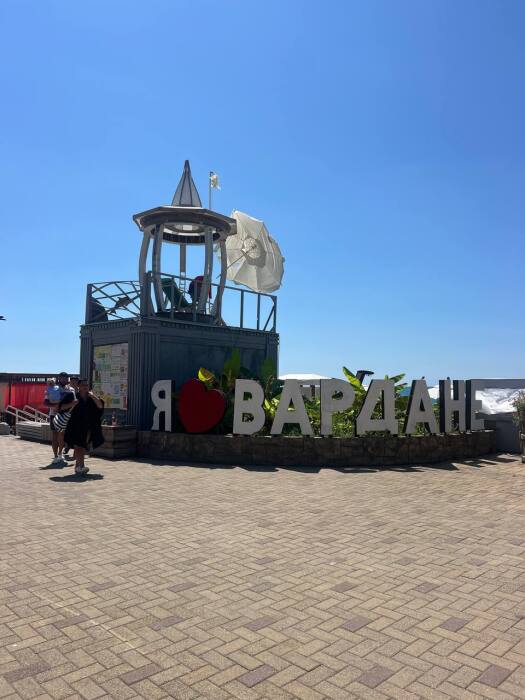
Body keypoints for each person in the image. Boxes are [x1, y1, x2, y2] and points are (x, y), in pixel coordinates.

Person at [64, 379, 104, 475]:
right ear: (79, 387)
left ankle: (78, 466)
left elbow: (100, 406)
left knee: (82, 446)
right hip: (75, 425)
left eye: (87, 385)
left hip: (89, 426)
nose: (85, 387)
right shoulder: (73, 396)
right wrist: (73, 403)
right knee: (79, 446)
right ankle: (81, 466)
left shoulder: (92, 397)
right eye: (83, 385)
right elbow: (62, 407)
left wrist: (92, 396)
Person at [44, 372, 72, 465]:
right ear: (59, 379)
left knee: (62, 435)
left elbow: (73, 402)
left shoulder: (70, 389)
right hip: (53, 414)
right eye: (62, 378)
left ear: (68, 379)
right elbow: (45, 402)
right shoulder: (51, 388)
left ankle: (61, 455)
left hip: (65, 415)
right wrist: (54, 406)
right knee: (55, 435)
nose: (64, 380)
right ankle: (55, 456)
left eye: (65, 378)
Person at [62, 377, 79, 460]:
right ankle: (67, 446)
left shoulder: (80, 391)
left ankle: (75, 452)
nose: (73, 383)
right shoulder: (67, 390)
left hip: (77, 414)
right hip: (68, 413)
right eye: (72, 381)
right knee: (67, 431)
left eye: (75, 382)